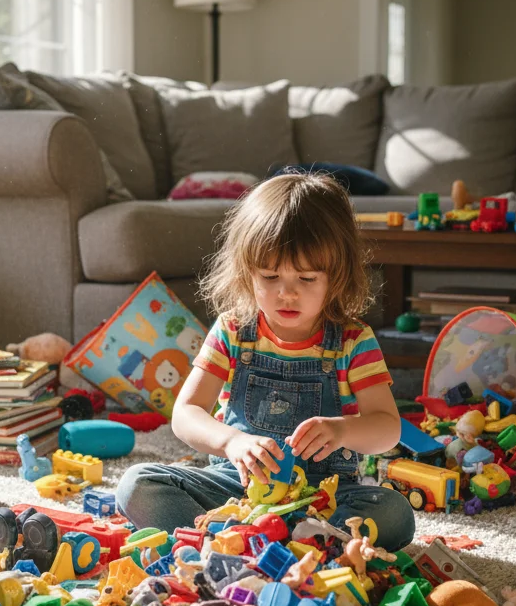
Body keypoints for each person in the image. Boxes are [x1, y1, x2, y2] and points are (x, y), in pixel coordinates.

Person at [115, 173, 416, 549]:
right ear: (247, 272)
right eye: (270, 276)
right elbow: (186, 413)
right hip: (237, 492)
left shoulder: (353, 341)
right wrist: (231, 442)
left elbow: (388, 428)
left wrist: (341, 430)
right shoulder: (232, 331)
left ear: (336, 277)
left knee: (395, 513)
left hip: (322, 497)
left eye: (306, 278)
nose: (287, 292)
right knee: (137, 484)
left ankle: (294, 541)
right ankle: (234, 542)